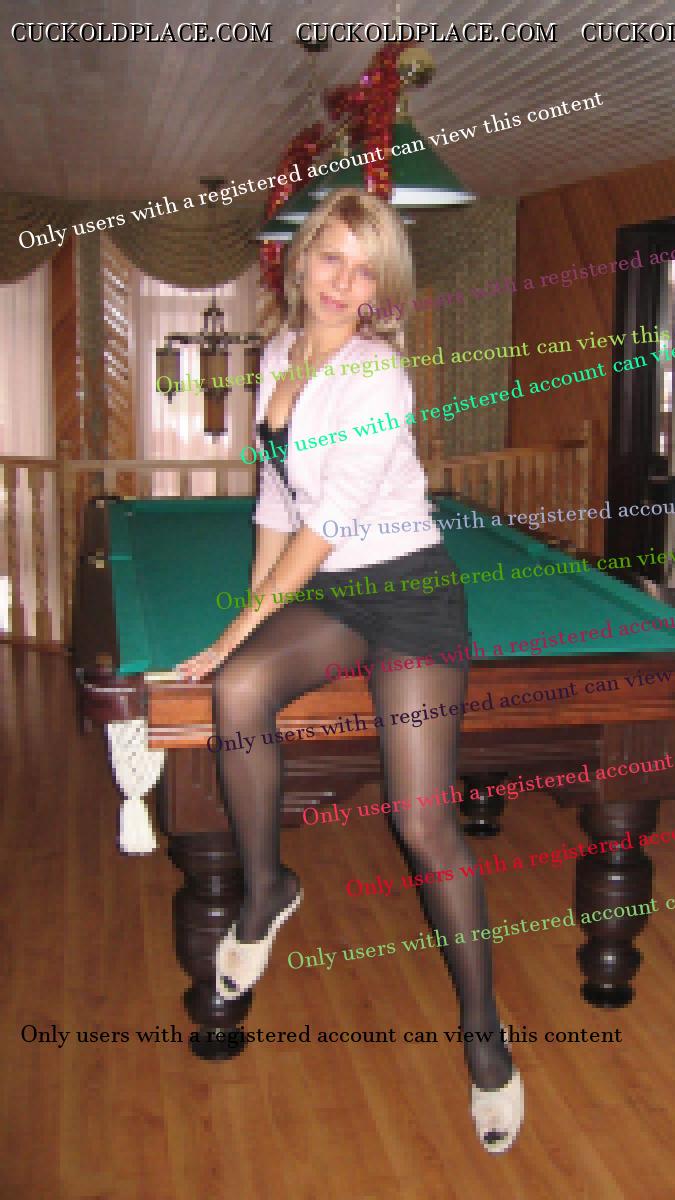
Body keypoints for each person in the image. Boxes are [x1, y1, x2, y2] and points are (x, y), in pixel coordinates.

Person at [177, 188, 523, 1153]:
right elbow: (276, 502)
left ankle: (485, 1034)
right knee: (238, 687)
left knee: (422, 821)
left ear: (381, 289)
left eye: (365, 270)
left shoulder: (378, 376)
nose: (344, 282)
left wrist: (248, 618)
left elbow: (326, 527)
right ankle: (266, 891)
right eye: (331, 256)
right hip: (331, 592)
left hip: (409, 594)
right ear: (301, 261)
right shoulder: (280, 356)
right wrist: (246, 629)